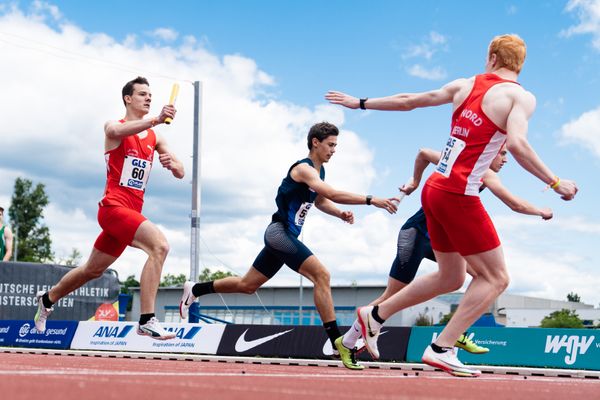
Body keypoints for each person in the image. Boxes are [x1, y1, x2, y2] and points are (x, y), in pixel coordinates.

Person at [326, 34, 577, 377]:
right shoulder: (520, 97)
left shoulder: (464, 84)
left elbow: (410, 100)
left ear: (491, 56)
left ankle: (375, 315)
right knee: (497, 278)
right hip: (459, 194)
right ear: (521, 64)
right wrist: (555, 182)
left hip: (435, 189)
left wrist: (362, 103)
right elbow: (517, 144)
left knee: (451, 276)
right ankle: (442, 347)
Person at [179, 122, 398, 369]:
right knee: (322, 275)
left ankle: (196, 289)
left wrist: (339, 214)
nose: (334, 150)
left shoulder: (319, 171)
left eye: (336, 145)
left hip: (283, 236)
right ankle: (338, 341)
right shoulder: (303, 169)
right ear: (315, 142)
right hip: (279, 233)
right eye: (331, 144)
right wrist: (371, 200)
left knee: (247, 285)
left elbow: (322, 201)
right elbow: (333, 193)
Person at [338, 145, 553, 369]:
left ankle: (454, 332)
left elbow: (422, 154)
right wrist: (415, 181)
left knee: (483, 275)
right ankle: (348, 341)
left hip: (442, 237)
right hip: (416, 234)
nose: (506, 160)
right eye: (502, 153)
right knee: (393, 294)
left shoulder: (481, 173)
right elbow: (422, 152)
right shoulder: (469, 166)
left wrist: (416, 181)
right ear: (489, 152)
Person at [34, 76, 185, 340]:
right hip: (113, 208)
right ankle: (147, 320)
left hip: (131, 213)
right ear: (128, 98)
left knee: (91, 270)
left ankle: (47, 299)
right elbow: (115, 132)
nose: (148, 98)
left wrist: (172, 165)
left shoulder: (155, 136)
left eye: (150, 95)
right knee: (160, 246)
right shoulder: (114, 126)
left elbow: (181, 172)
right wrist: (157, 119)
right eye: (142, 94)